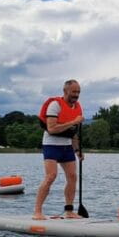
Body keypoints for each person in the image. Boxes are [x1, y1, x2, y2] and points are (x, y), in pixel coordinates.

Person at [33, 79, 84, 220]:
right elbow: (52, 128)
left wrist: (78, 150)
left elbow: (73, 133)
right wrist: (74, 121)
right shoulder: (55, 105)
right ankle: (37, 211)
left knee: (73, 177)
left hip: (67, 146)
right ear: (65, 91)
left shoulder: (77, 107)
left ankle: (69, 211)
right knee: (51, 176)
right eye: (74, 91)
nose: (76, 95)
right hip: (51, 145)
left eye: (78, 92)